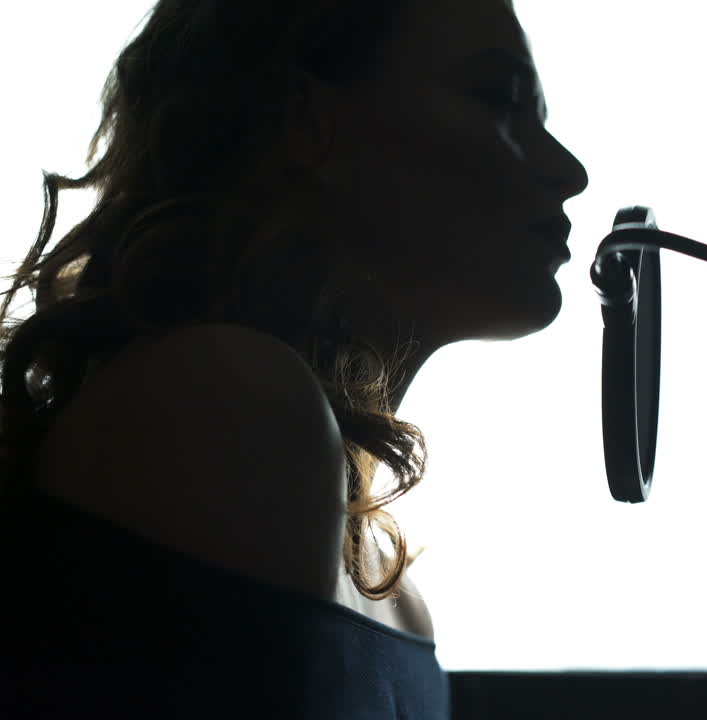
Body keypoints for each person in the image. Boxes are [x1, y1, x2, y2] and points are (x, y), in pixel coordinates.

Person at [0, 0, 588, 717]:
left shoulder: (396, 598)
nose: (569, 170)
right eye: (497, 98)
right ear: (307, 121)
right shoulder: (222, 403)